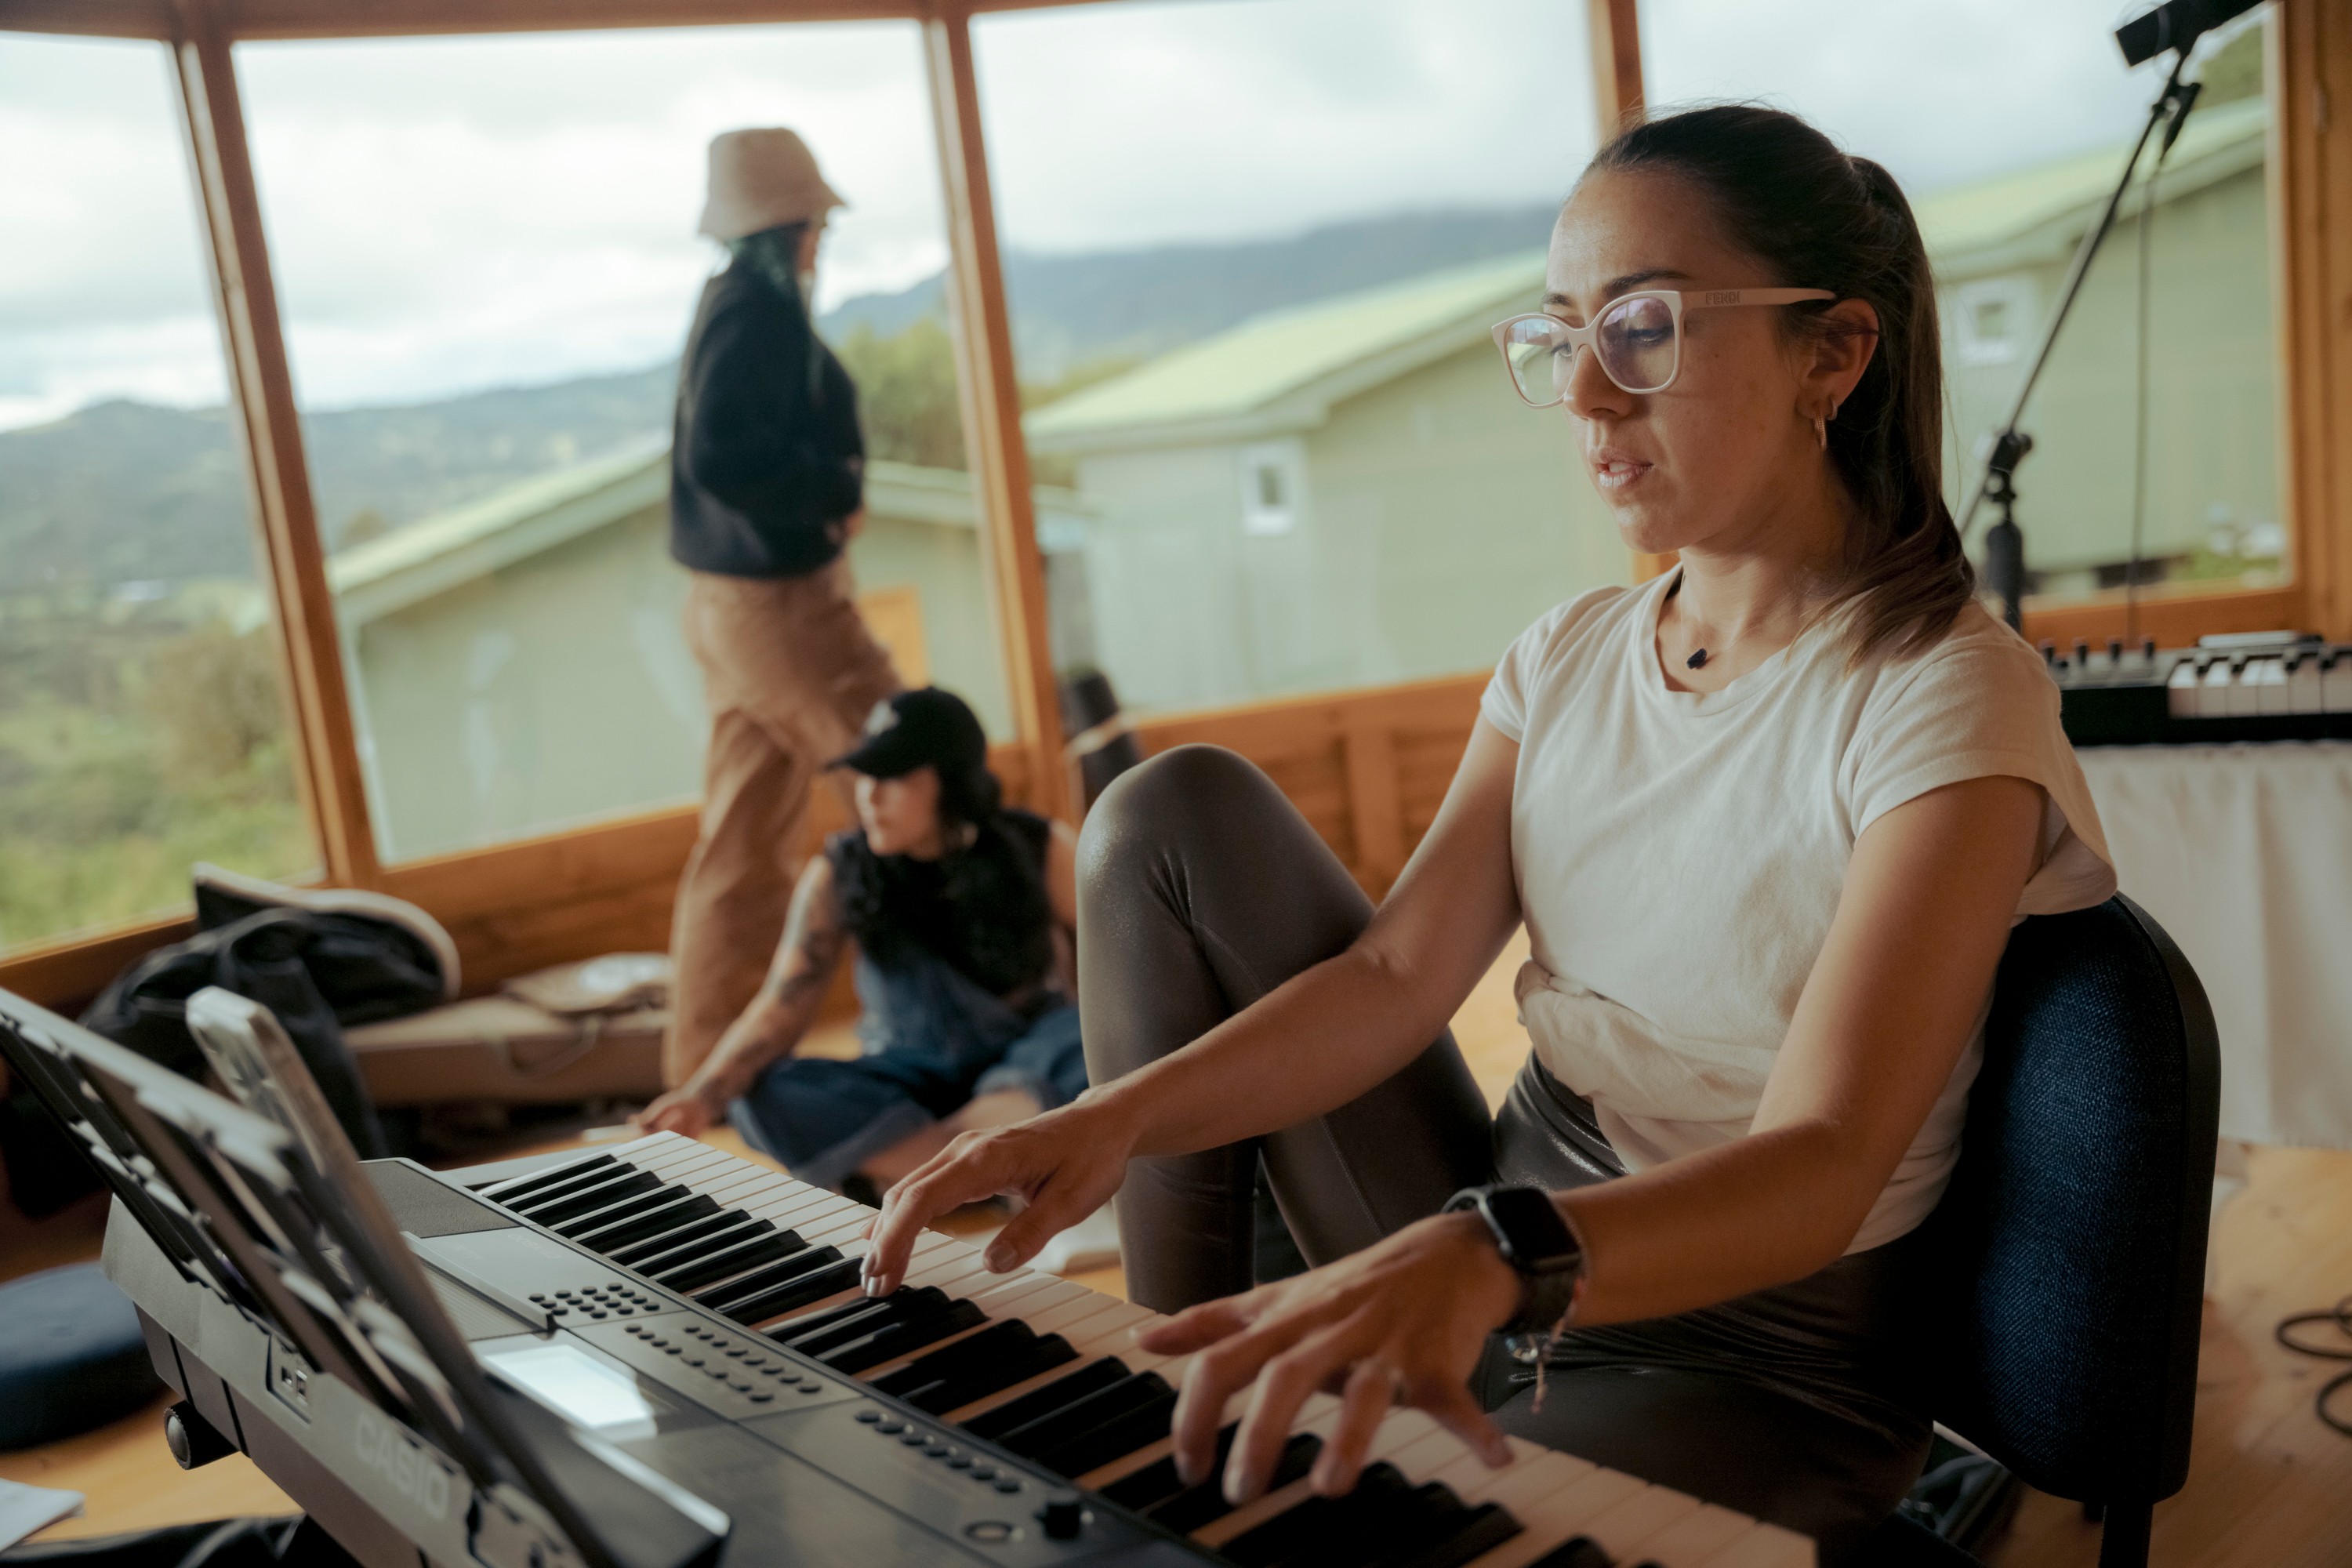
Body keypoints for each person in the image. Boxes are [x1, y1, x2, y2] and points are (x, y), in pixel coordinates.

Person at [859, 104, 2117, 1562]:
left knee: (1403, 1529)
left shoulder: (1947, 697)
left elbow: (1828, 1158)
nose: (1586, 392)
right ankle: (1170, 1413)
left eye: (1646, 329)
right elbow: (1399, 979)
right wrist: (1108, 1118)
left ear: (1832, 352)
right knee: (1165, 815)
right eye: (1564, 331)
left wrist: (1489, 1255)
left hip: (1751, 1348)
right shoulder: (1569, 654)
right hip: (1498, 1218)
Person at [636, 688, 1087, 1209]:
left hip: (1022, 1067)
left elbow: (1112, 972)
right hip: (907, 1081)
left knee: (1094, 1035)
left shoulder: (1041, 847)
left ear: (954, 780)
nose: (869, 796)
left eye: (893, 777)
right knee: (762, 1092)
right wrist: (698, 1097)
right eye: (865, 776)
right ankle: (982, 1169)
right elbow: (781, 1007)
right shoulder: (839, 871)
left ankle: (912, 1172)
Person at [664, 126, 901, 1089]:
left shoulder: (735, 302)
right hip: (782, 613)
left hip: (728, 611)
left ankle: (699, 1087)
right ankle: (974, 1041)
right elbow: (720, 454)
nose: (820, 240)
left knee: (742, 847)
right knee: (918, 789)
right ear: (790, 227)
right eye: (813, 224)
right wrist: (826, 494)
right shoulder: (756, 313)